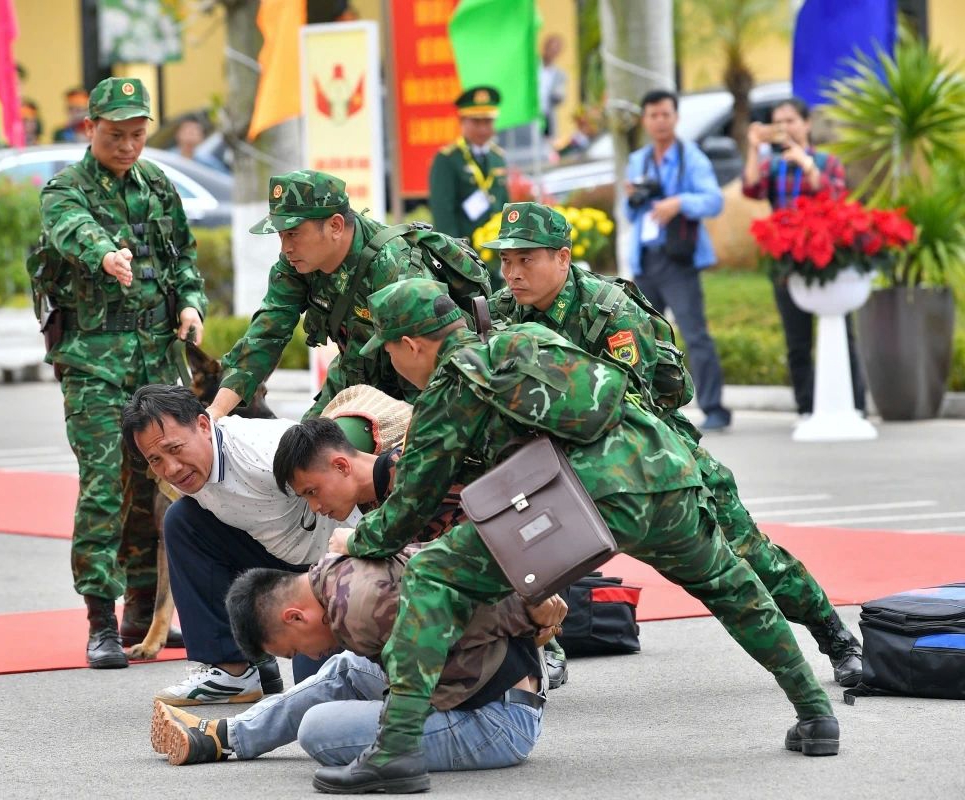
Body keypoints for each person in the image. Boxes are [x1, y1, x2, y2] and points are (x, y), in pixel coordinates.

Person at [313, 278, 838, 792]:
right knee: (731, 585)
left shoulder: (454, 386)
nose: (396, 365)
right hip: (667, 472)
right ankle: (816, 715)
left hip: (588, 500)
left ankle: (397, 749)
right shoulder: (525, 338)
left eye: (393, 351)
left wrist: (358, 542)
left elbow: (412, 502)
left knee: (431, 573)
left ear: (413, 344)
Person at [487, 201, 863, 686]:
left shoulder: (609, 314)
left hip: (656, 461)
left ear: (562, 258)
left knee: (748, 558)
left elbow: (633, 409)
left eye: (527, 259)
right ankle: (545, 646)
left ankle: (833, 635)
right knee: (527, 555)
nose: (513, 272)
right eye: (506, 260)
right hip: (560, 463)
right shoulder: (500, 314)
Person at [36, 77, 206, 670]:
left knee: (156, 489)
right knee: (106, 487)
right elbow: (70, 231)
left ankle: (143, 611)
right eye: (116, 136)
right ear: (90, 129)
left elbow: (183, 254)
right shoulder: (65, 190)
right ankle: (100, 621)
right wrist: (104, 254)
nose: (129, 146)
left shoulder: (158, 184)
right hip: (93, 365)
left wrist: (190, 303)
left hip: (157, 365)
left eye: (138, 135)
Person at [151, 548, 561, 782]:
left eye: (293, 651)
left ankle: (227, 737)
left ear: (295, 617)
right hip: (490, 688)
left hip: (495, 721)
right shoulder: (331, 571)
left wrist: (535, 613)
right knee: (347, 667)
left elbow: (480, 606)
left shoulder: (361, 610)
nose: (307, 657)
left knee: (318, 728)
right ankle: (228, 737)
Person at [277, 416, 571, 690]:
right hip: (471, 613)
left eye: (312, 492)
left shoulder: (419, 470)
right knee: (316, 666)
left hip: (517, 589)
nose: (315, 507)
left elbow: (502, 540)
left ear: (341, 466)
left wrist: (355, 544)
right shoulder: (373, 509)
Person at [121, 384, 341, 703]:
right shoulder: (188, 473)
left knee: (318, 688)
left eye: (175, 448)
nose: (171, 468)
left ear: (203, 424)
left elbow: (356, 501)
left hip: (334, 563)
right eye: (155, 459)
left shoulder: (268, 453)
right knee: (182, 521)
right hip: (278, 554)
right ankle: (232, 671)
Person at [206, 170, 429, 422]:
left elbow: (426, 363)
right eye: (281, 235)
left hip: (419, 391)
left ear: (335, 226)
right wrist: (216, 412)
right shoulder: (297, 263)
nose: (285, 248)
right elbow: (266, 334)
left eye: (293, 233)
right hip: (355, 375)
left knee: (332, 454)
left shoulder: (392, 267)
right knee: (300, 449)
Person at [742, 97, 866, 419]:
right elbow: (751, 188)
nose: (785, 128)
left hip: (825, 258)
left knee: (841, 331)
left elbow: (834, 194)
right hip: (786, 258)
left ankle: (855, 405)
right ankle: (807, 407)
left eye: (791, 121)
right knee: (797, 341)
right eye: (777, 122)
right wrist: (754, 147)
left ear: (807, 124)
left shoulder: (826, 161)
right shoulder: (772, 165)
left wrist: (806, 163)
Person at [625, 88, 731, 432]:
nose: (659, 121)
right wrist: (633, 197)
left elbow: (713, 201)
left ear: (676, 117)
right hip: (645, 259)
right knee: (644, 336)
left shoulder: (692, 157)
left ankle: (714, 407)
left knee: (693, 334)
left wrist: (678, 202)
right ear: (644, 120)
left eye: (665, 114)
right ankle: (651, 408)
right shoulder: (638, 160)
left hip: (679, 260)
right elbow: (630, 211)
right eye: (653, 115)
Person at [428, 86, 509, 277]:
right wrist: (455, 252)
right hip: (465, 254)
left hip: (498, 253)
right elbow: (443, 212)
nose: (483, 129)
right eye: (476, 122)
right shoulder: (448, 159)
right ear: (462, 122)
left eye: (488, 122)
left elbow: (505, 202)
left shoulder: (498, 157)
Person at [538, 34, 568, 143]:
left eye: (556, 50)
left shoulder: (560, 74)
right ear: (544, 47)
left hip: (547, 116)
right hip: (531, 115)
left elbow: (561, 98)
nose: (552, 52)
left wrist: (558, 95)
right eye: (551, 48)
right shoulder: (532, 67)